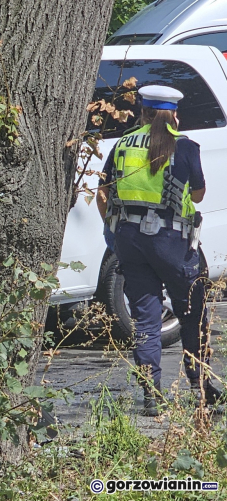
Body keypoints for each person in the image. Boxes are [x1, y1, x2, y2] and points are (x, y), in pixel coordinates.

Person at [97, 85, 220, 416]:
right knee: (193, 312)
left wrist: (114, 236)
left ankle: (151, 395)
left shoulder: (122, 145)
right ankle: (201, 387)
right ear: (173, 115)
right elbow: (197, 196)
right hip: (171, 244)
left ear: (143, 112)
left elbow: (102, 194)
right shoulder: (184, 146)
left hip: (129, 242)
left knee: (145, 319)